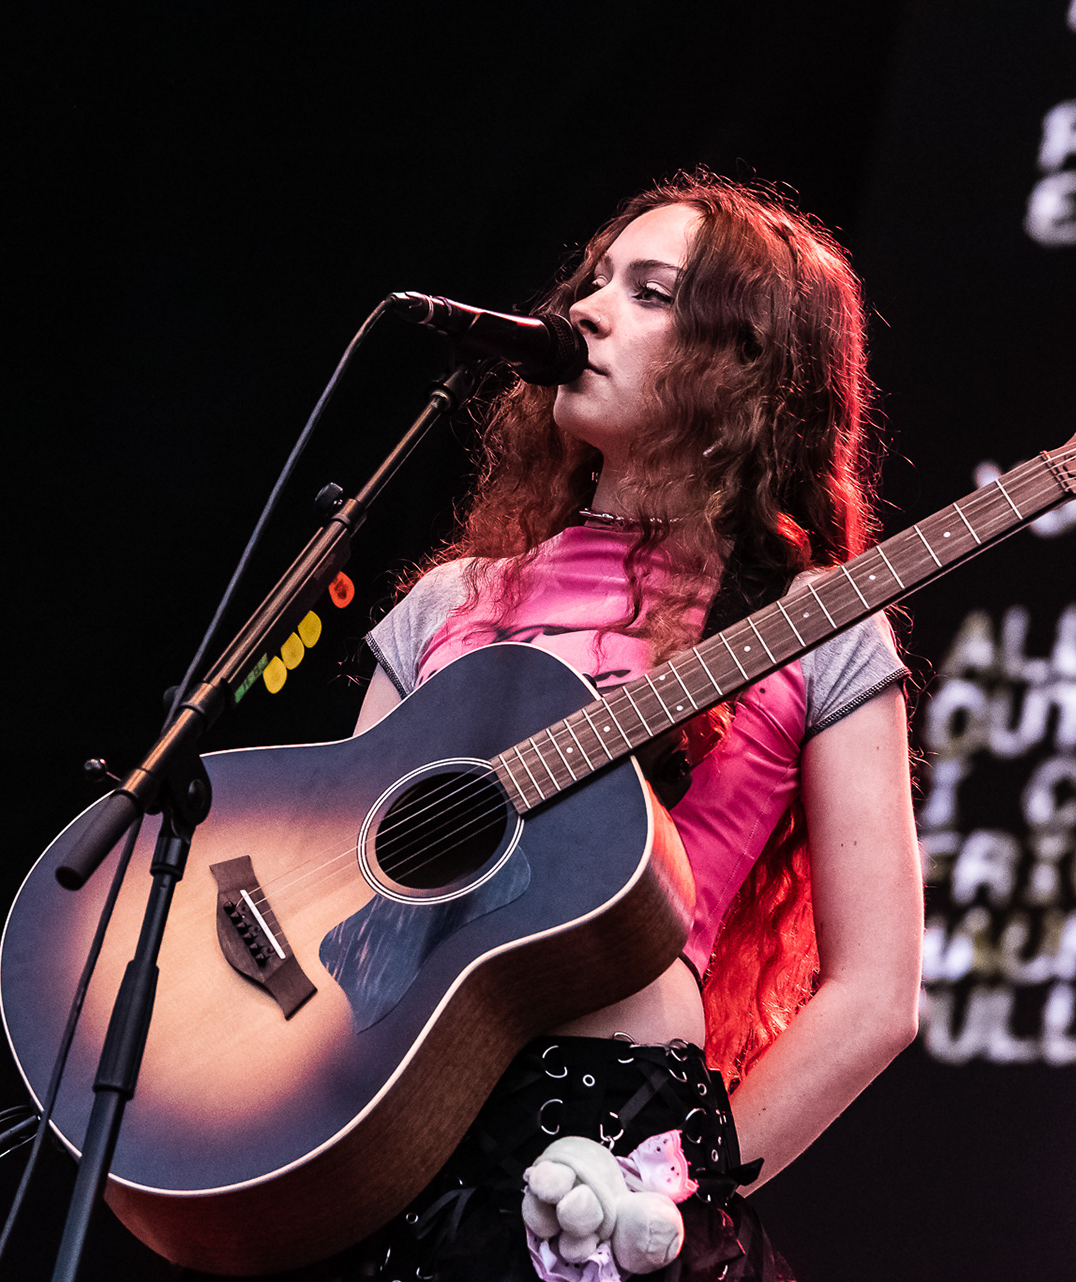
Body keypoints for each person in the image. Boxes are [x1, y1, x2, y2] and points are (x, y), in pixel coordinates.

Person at [348, 173, 922, 1282]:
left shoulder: (817, 623)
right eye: (595, 280)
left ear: (746, 366)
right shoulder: (448, 602)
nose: (588, 310)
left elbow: (877, 996)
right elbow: (337, 870)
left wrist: (677, 1177)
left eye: (650, 293)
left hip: (606, 1163)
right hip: (381, 1131)